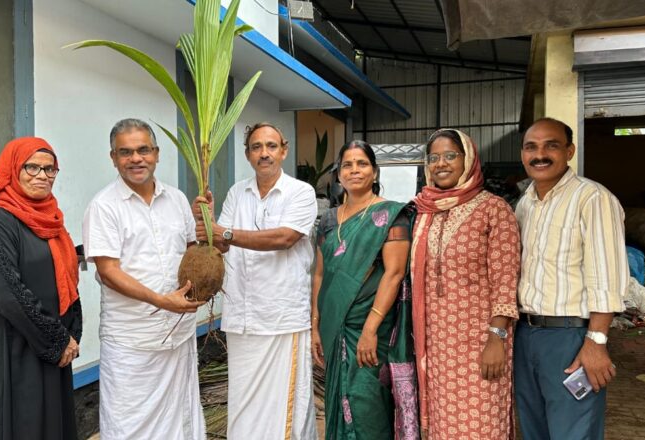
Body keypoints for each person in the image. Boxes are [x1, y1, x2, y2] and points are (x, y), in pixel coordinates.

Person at [0, 137, 83, 439]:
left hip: (50, 345)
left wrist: (72, 332)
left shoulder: (52, 220)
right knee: (15, 423)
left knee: (49, 424)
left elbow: (68, 279)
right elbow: (6, 292)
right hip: (11, 344)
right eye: (32, 167)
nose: (42, 175)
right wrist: (57, 338)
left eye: (50, 169)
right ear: (13, 169)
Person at [83, 118, 206, 439]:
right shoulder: (104, 207)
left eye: (143, 150)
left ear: (156, 153)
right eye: (125, 152)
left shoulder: (177, 199)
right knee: (129, 425)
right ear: (113, 158)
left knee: (179, 420)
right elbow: (108, 272)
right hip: (131, 341)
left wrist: (208, 228)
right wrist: (162, 301)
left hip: (178, 337)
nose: (136, 159)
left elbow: (193, 252)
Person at [193, 122, 318, 439]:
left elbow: (284, 238)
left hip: (281, 319)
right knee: (244, 404)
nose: (264, 153)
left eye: (271, 146)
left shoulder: (300, 192)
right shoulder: (238, 192)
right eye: (256, 147)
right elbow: (221, 244)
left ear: (284, 150)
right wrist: (206, 222)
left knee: (285, 409)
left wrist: (227, 233)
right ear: (247, 154)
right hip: (242, 319)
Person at [515, 118, 628, 439]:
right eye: (531, 147)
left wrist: (597, 342)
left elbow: (607, 274)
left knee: (572, 431)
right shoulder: (525, 204)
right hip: (526, 335)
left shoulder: (592, 198)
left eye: (551, 145)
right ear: (523, 155)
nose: (540, 155)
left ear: (569, 151)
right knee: (534, 429)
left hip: (570, 338)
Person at [411, 129, 520, 439]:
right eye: (433, 158)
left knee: (482, 424)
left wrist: (496, 338)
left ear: (468, 160)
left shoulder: (493, 209)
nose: (441, 164)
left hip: (482, 344)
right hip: (438, 348)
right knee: (443, 426)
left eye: (450, 156)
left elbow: (505, 279)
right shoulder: (423, 211)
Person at [312, 140, 418, 439]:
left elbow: (394, 273)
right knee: (339, 398)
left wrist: (371, 328)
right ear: (339, 174)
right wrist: (316, 325)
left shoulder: (391, 215)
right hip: (335, 326)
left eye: (362, 164)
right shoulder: (329, 220)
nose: (354, 170)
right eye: (348, 164)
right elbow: (319, 275)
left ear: (374, 172)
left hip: (371, 327)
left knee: (366, 400)